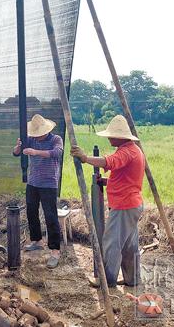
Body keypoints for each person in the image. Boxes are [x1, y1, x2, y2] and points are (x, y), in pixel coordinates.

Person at [70, 115, 145, 287]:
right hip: (131, 204)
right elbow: (126, 179)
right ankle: (131, 279)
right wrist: (106, 182)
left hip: (124, 206)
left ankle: (108, 280)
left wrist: (85, 158)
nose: (109, 138)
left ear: (121, 137)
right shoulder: (132, 150)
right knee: (128, 245)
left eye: (111, 135)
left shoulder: (127, 152)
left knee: (111, 243)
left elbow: (108, 162)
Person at [13, 114, 64, 269]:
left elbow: (57, 153)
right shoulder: (30, 139)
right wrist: (17, 147)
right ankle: (37, 240)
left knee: (50, 216)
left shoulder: (56, 139)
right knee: (31, 212)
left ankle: (55, 251)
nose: (37, 136)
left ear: (46, 130)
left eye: (39, 133)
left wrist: (36, 152)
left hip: (49, 183)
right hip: (33, 182)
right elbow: (16, 153)